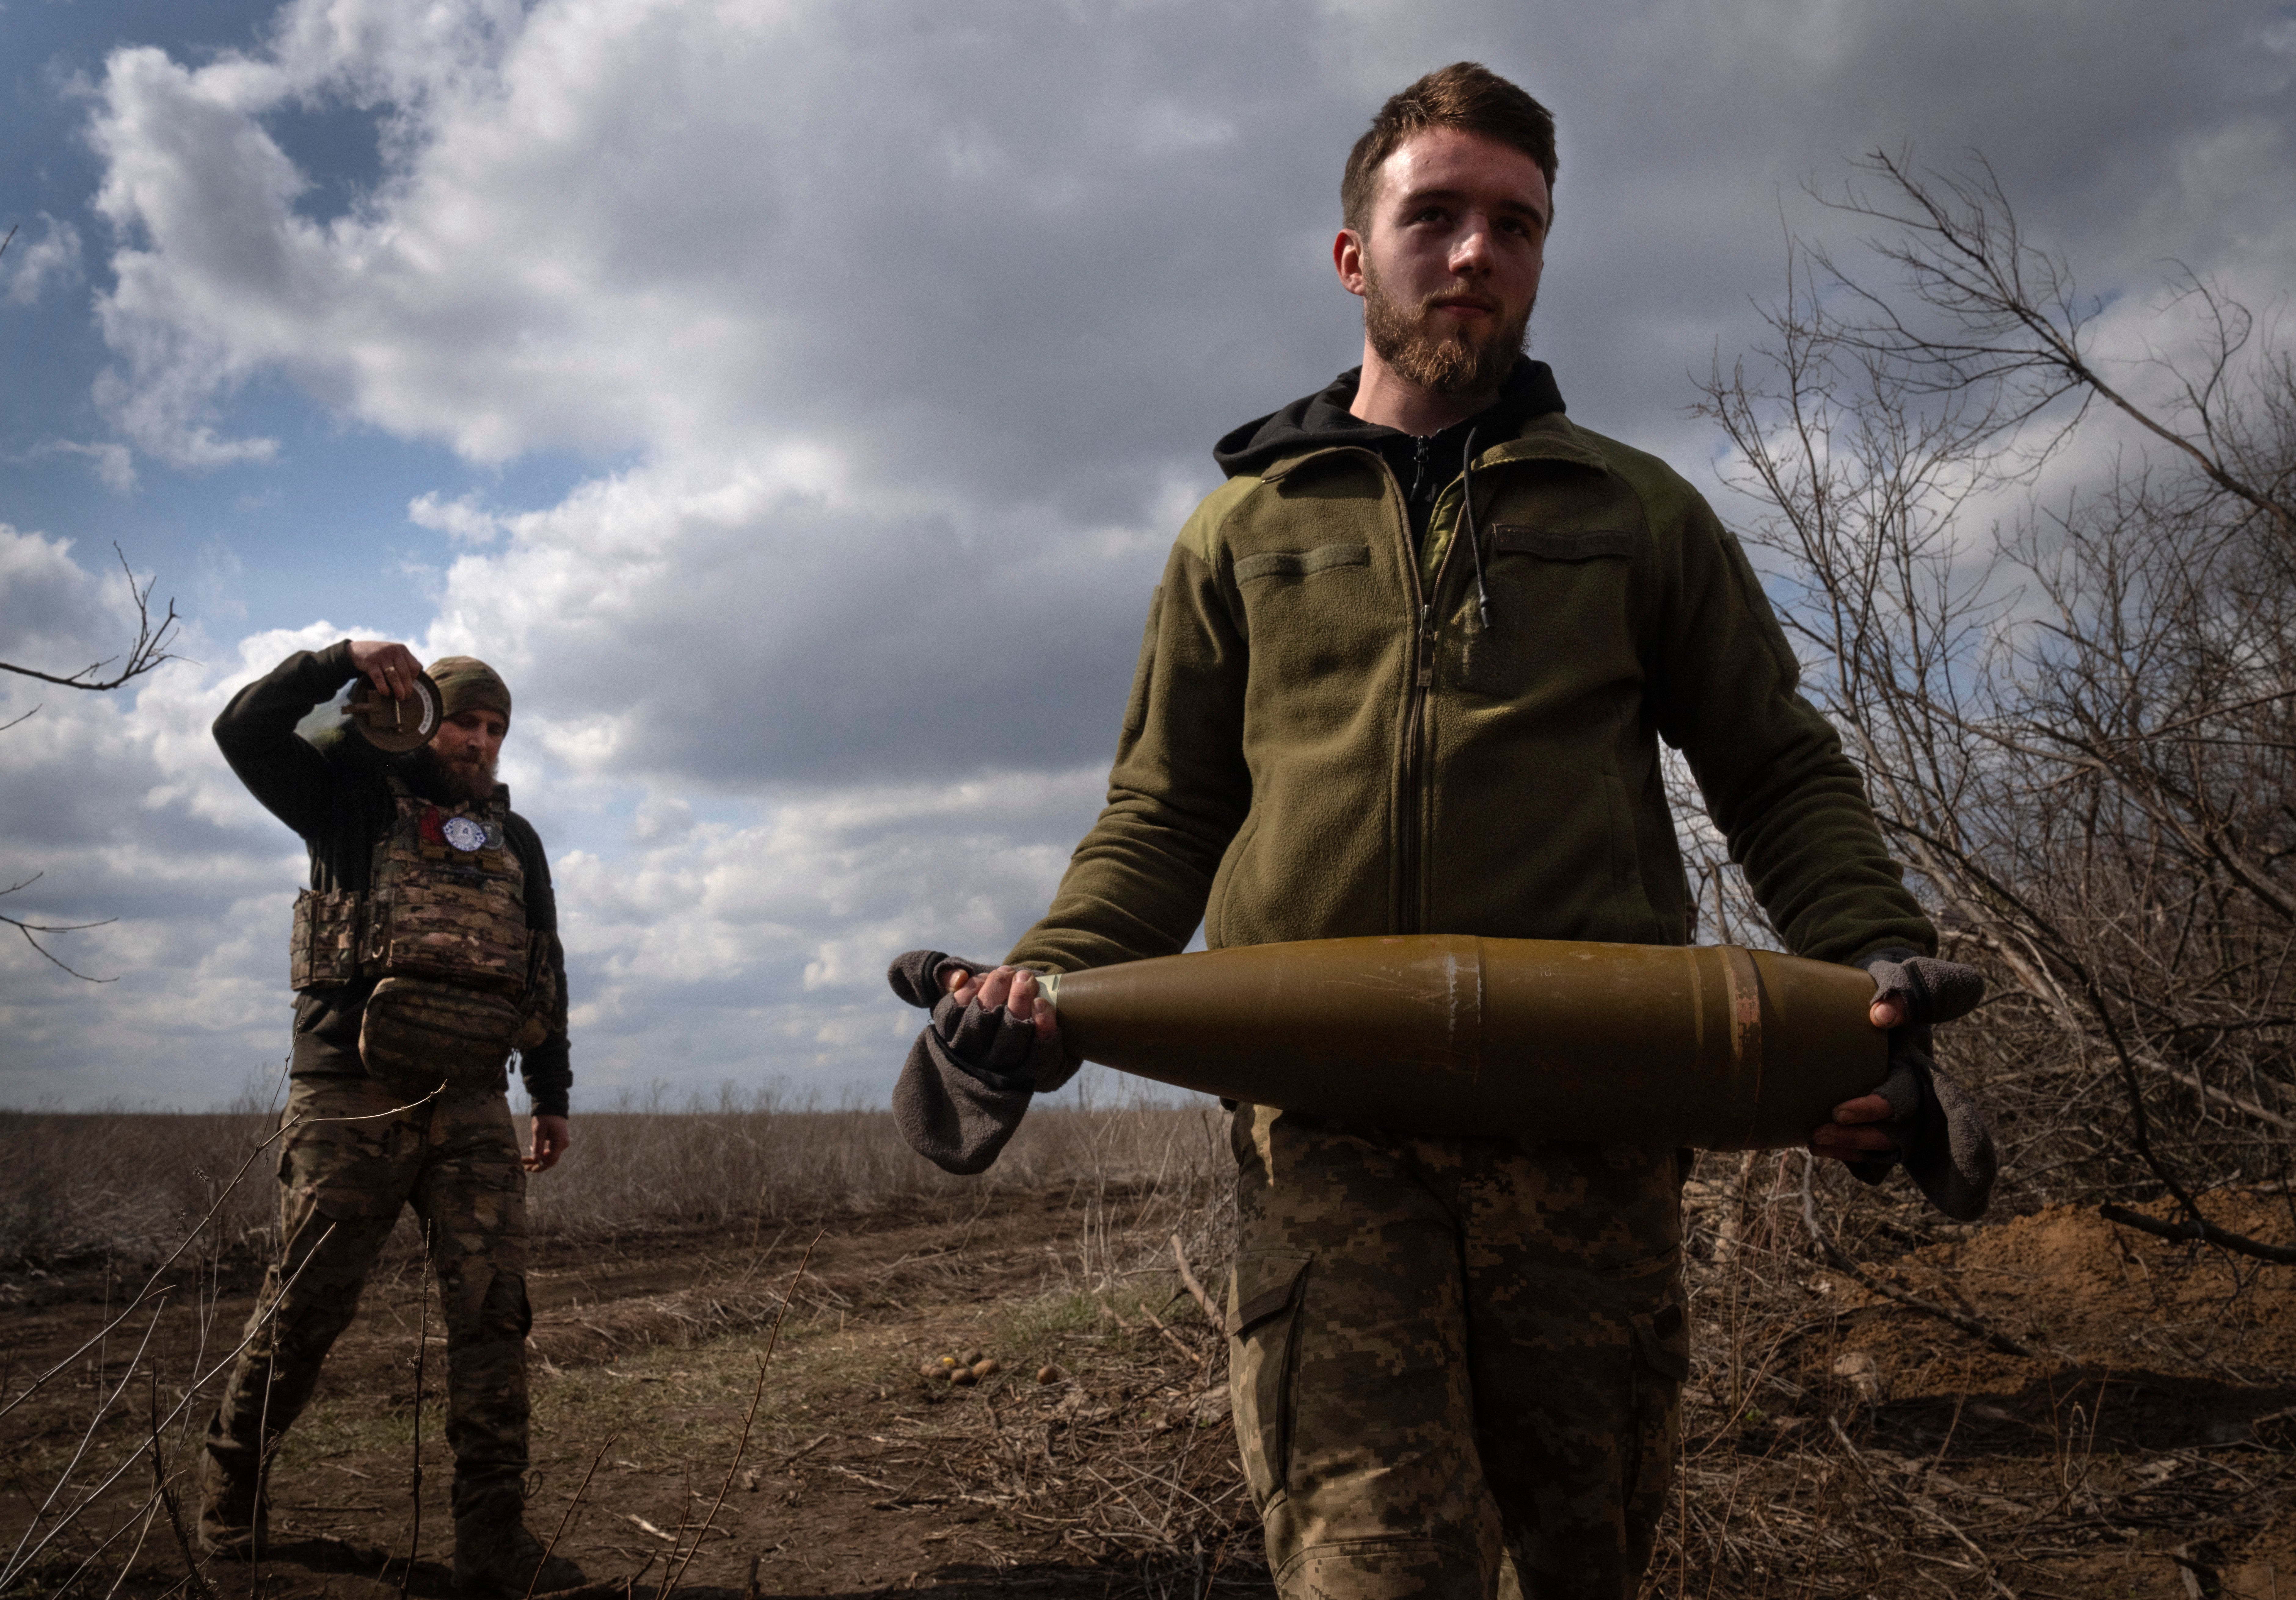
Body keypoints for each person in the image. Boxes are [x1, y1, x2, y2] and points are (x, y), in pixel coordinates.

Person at [889, 63, 1990, 1600]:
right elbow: (1164, 808)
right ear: (1356, 253)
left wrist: (1871, 968)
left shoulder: (1639, 513)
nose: (1475, 251)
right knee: (1369, 1568)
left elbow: (1773, 766)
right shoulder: (1239, 533)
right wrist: (1043, 984)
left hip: (1590, 1126)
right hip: (1324, 1136)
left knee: (1582, 1560)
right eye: (1436, 215)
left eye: (1514, 225)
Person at [200, 640, 582, 1596]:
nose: (482, 741)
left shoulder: (514, 837)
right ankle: (231, 1494)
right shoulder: (350, 793)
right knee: (308, 1307)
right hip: (350, 1093)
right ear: (424, 713)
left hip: (472, 1099)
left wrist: (552, 1093)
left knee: (494, 1315)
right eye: (466, 720)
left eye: (497, 729)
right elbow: (241, 729)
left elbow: (542, 964)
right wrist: (341, 663)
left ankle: (492, 1539)